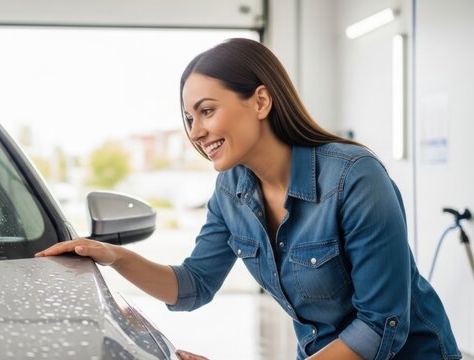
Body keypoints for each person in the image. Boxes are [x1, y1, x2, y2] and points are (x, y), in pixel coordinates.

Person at [35, 38, 461, 360]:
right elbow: (193, 286)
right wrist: (110, 256)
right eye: (188, 118)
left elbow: (380, 326)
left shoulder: (352, 177)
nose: (195, 132)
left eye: (206, 111)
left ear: (260, 100)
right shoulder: (232, 191)